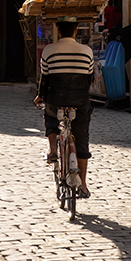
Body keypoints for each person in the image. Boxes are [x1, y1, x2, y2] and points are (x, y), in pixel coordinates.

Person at [34, 19, 95, 198]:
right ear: (76, 31)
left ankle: (53, 149)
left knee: (51, 117)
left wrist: (39, 96)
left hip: (56, 99)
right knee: (82, 138)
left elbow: (44, 79)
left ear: (58, 31)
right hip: (80, 100)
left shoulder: (49, 51)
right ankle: (83, 184)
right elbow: (89, 79)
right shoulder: (87, 51)